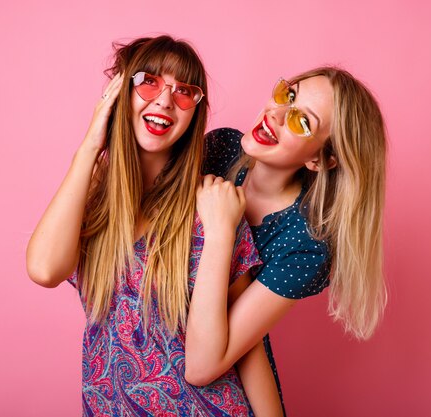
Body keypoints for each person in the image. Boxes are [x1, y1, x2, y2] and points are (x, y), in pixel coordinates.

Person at [26, 35, 279, 416]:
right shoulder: (90, 199)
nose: (164, 99)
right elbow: (44, 269)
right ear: (118, 93)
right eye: (148, 81)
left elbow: (247, 346)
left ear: (195, 113)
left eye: (184, 92)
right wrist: (94, 141)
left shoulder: (211, 207)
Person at [185, 67, 388, 414]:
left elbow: (203, 367)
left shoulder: (305, 245)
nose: (276, 114)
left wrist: (223, 233)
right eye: (287, 95)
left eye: (302, 122)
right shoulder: (219, 150)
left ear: (320, 160)